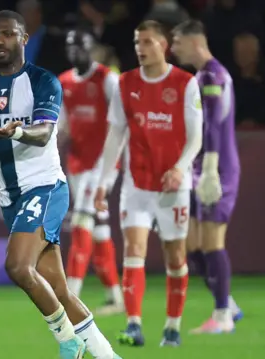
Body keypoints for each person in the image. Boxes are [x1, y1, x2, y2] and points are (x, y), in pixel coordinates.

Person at [0, 10, 121, 359]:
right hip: (11, 198)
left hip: (46, 187)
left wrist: (16, 130)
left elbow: (45, 131)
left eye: (8, 34)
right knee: (59, 290)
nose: (0, 41)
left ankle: (68, 342)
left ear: (24, 38)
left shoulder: (44, 81)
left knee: (17, 266)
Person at [94, 20, 203, 347]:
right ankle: (134, 324)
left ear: (163, 45)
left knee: (174, 256)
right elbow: (115, 135)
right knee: (134, 250)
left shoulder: (186, 83)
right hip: (136, 185)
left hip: (173, 188)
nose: (140, 48)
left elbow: (196, 136)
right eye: (136, 41)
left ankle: (172, 326)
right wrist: (104, 181)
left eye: (146, 42)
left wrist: (181, 169)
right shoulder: (125, 84)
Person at [170, 19, 243, 334]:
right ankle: (228, 303)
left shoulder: (212, 75)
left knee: (212, 242)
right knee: (192, 246)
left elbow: (213, 123)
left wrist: (211, 168)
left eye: (177, 42)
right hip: (200, 169)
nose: (173, 49)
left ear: (194, 41)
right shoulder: (201, 76)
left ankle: (223, 315)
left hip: (218, 169)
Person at [57, 28, 123, 316]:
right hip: (76, 164)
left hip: (102, 164)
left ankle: (70, 296)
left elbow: (123, 121)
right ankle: (115, 297)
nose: (76, 54)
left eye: (81, 47)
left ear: (91, 48)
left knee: (82, 220)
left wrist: (113, 165)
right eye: (72, 48)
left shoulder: (108, 79)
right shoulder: (64, 82)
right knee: (99, 228)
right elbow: (61, 125)